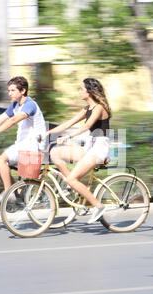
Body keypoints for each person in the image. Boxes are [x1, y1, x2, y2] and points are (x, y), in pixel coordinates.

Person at [42, 77, 111, 224]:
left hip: (99, 148)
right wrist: (48, 133)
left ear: (90, 91)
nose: (79, 91)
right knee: (55, 153)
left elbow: (86, 127)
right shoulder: (87, 109)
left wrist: (68, 137)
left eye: (81, 89)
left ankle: (98, 206)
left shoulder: (99, 108)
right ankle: (72, 187)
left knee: (72, 178)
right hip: (89, 146)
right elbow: (68, 123)